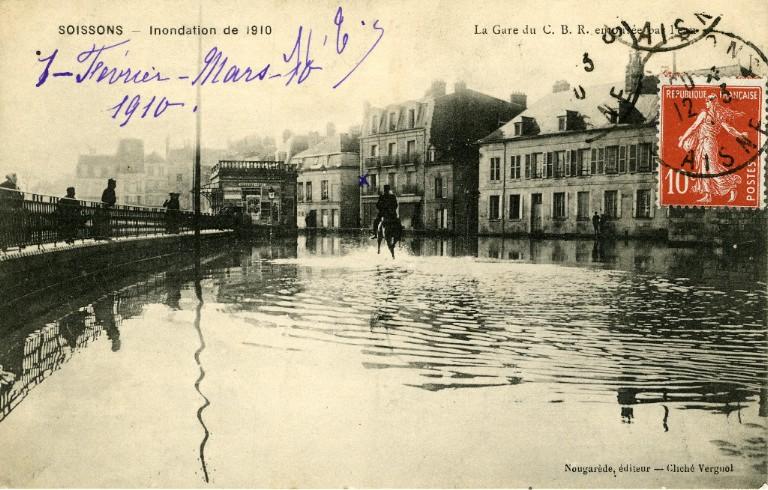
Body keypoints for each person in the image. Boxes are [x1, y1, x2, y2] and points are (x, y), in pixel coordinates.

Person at [678, 94, 748, 203]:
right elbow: (729, 129)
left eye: (707, 101)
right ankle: (708, 195)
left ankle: (731, 185)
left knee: (711, 168)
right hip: (705, 143)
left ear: (712, 102)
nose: (706, 103)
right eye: (706, 101)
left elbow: (693, 127)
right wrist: (740, 135)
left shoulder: (706, 114)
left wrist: (682, 140)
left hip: (708, 143)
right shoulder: (718, 115)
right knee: (705, 168)